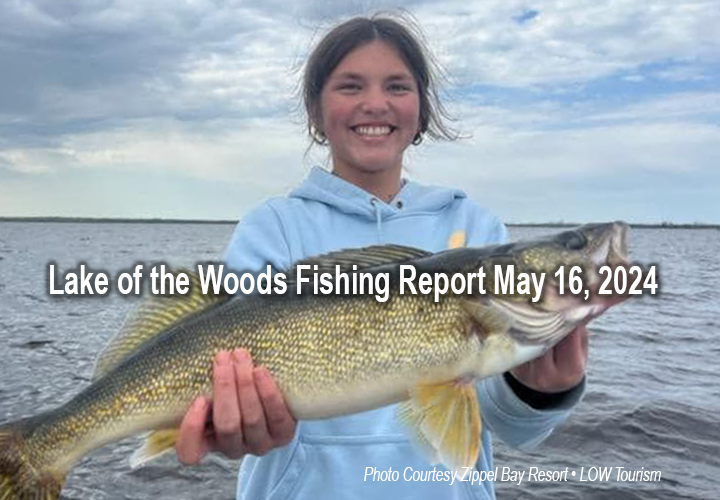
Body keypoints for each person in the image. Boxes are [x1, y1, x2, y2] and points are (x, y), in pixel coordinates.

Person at [175, 14, 588, 500]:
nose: (375, 103)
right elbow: (224, 385)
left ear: (422, 109)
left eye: (397, 86)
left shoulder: (476, 229)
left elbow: (512, 427)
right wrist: (231, 424)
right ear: (315, 110)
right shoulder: (273, 228)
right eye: (350, 86)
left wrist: (542, 389)